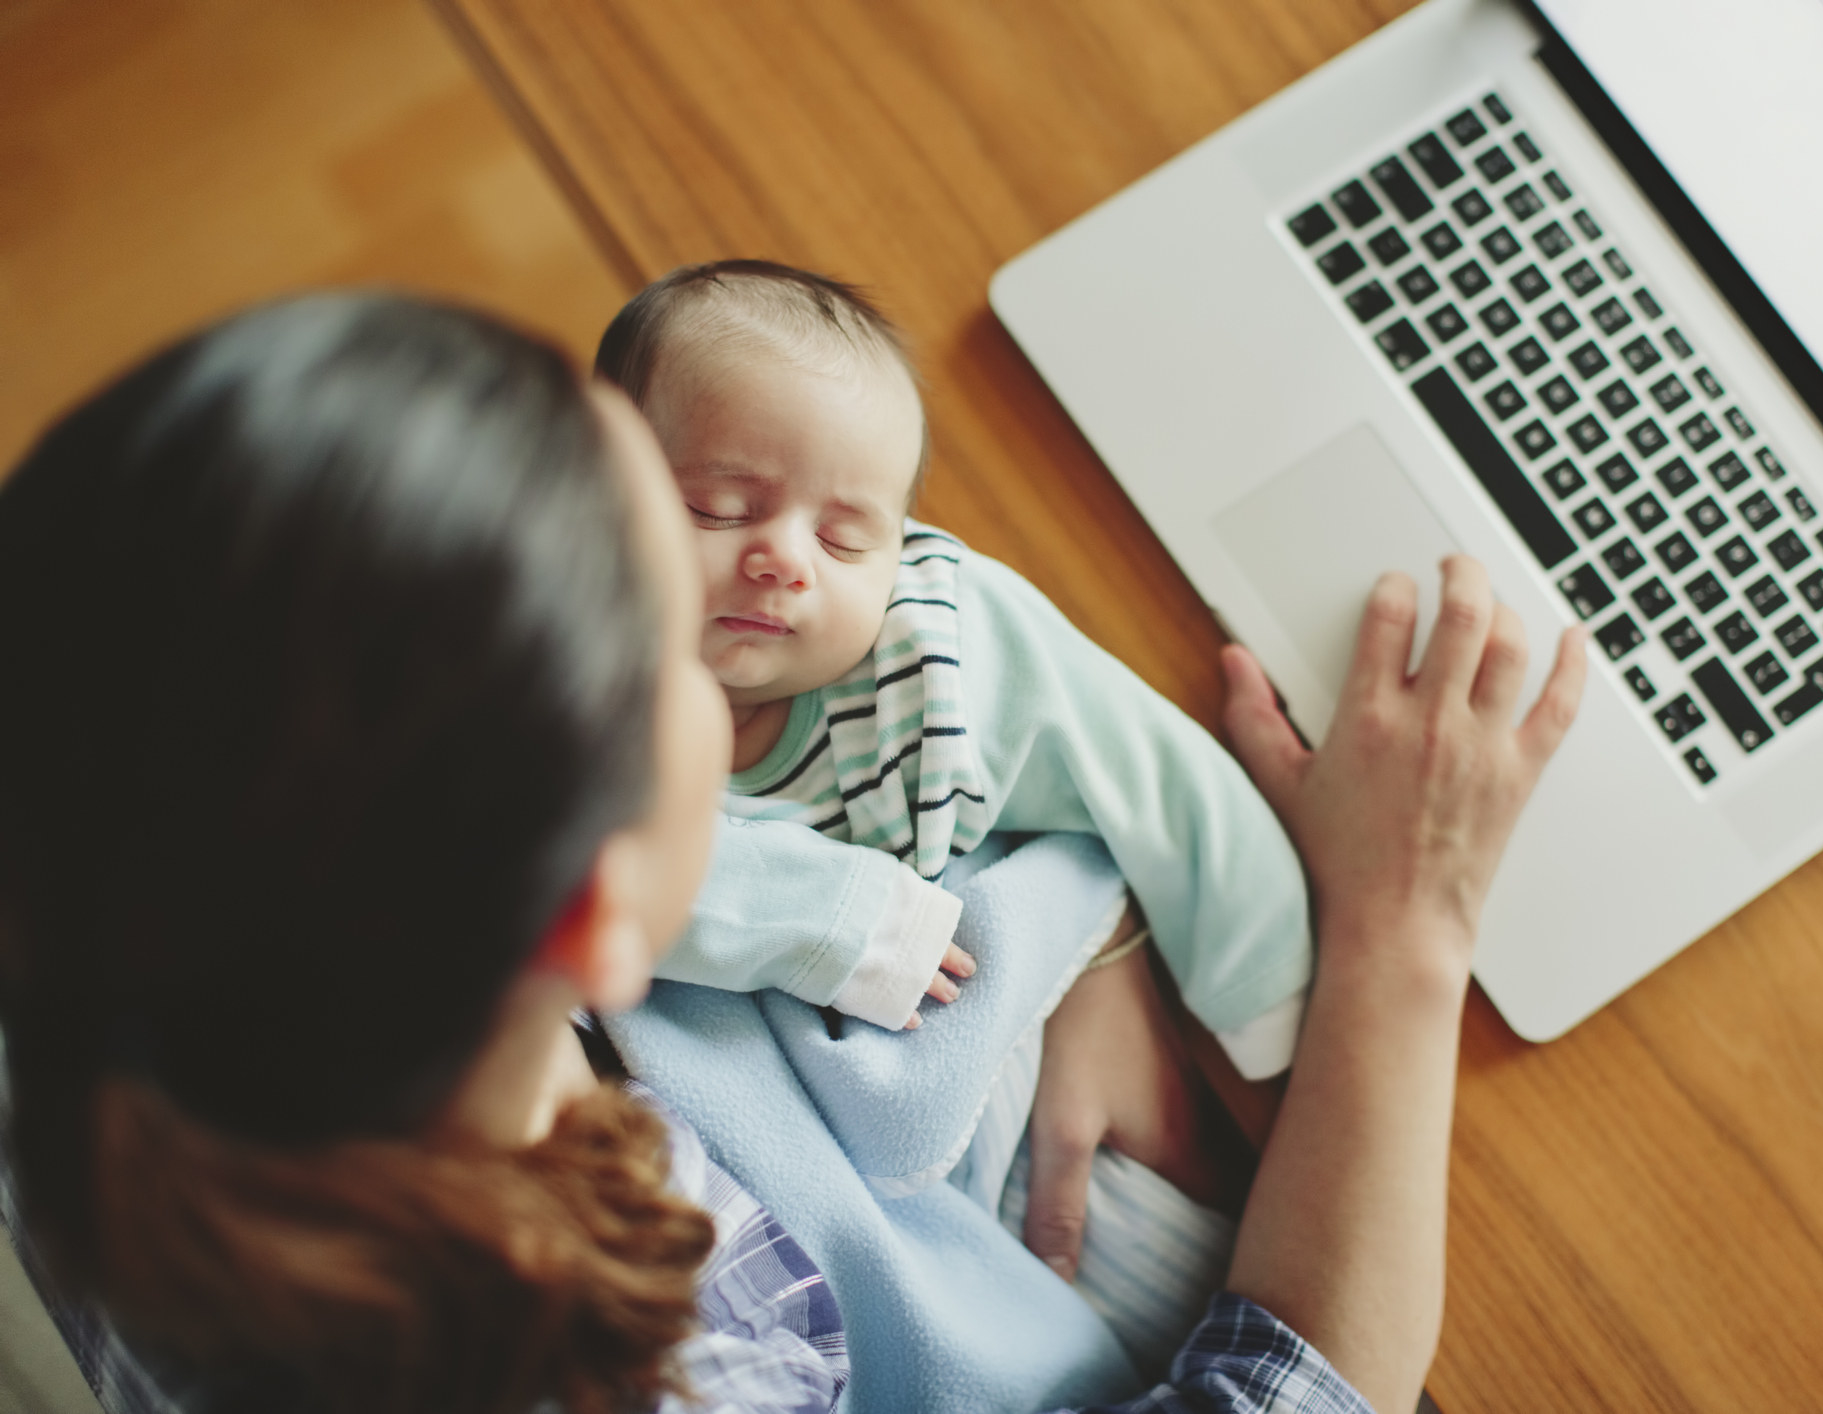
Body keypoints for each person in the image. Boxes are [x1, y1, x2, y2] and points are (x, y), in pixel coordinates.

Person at [0, 292, 1585, 1413]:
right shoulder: (703, 1367)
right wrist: (1403, 932)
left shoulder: (106, 867)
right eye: (669, 647)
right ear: (616, 905)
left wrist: (1076, 933)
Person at [594, 260, 1312, 1089]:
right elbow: (548, 860)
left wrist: (1260, 981)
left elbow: (1155, 774)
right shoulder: (540, 667)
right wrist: (830, 920)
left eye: (844, 540)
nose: (786, 561)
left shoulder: (938, 647)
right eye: (722, 508)